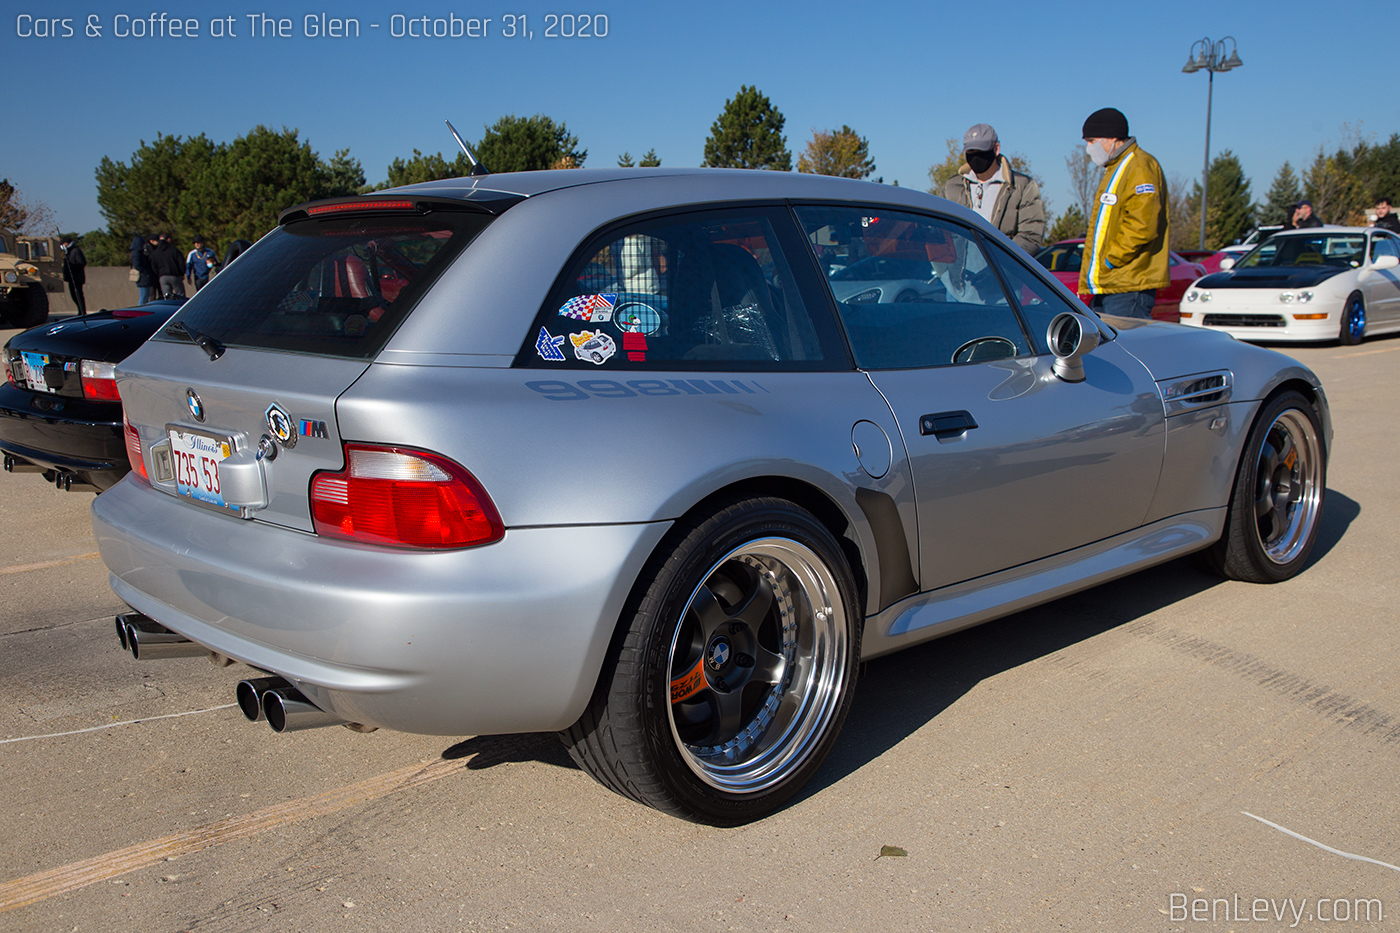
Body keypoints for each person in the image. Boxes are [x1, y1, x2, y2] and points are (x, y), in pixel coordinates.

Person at [1077, 108, 1169, 320]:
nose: (1089, 148)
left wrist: (1111, 259)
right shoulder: (1116, 167)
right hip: (1112, 283)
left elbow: (1142, 225)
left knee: (1124, 348)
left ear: (1112, 137)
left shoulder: (1139, 166)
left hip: (1128, 284)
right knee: (1101, 347)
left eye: (1092, 141)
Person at [942, 123, 1045, 253]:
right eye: (971, 152)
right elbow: (941, 233)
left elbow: (1030, 235)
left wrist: (1001, 262)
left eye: (981, 151)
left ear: (996, 149)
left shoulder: (1022, 186)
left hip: (1001, 271)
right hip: (958, 273)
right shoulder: (951, 187)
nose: (976, 156)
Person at [148, 233, 186, 298]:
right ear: (168, 240)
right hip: (175, 275)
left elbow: (153, 266)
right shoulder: (174, 250)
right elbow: (181, 263)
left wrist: (159, 274)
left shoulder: (155, 252)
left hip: (162, 276)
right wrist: (182, 273)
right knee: (180, 294)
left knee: (167, 296)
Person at [59, 236, 87, 316]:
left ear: (66, 243)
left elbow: (81, 263)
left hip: (76, 278)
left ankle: (82, 312)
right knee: (74, 296)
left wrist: (72, 268)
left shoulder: (75, 251)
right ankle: (81, 311)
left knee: (78, 295)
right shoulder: (69, 251)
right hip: (72, 278)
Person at [130, 234, 157, 304]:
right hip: (143, 278)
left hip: (144, 278)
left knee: (145, 296)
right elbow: (137, 265)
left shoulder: (140, 253)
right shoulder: (136, 253)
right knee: (144, 297)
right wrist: (146, 272)